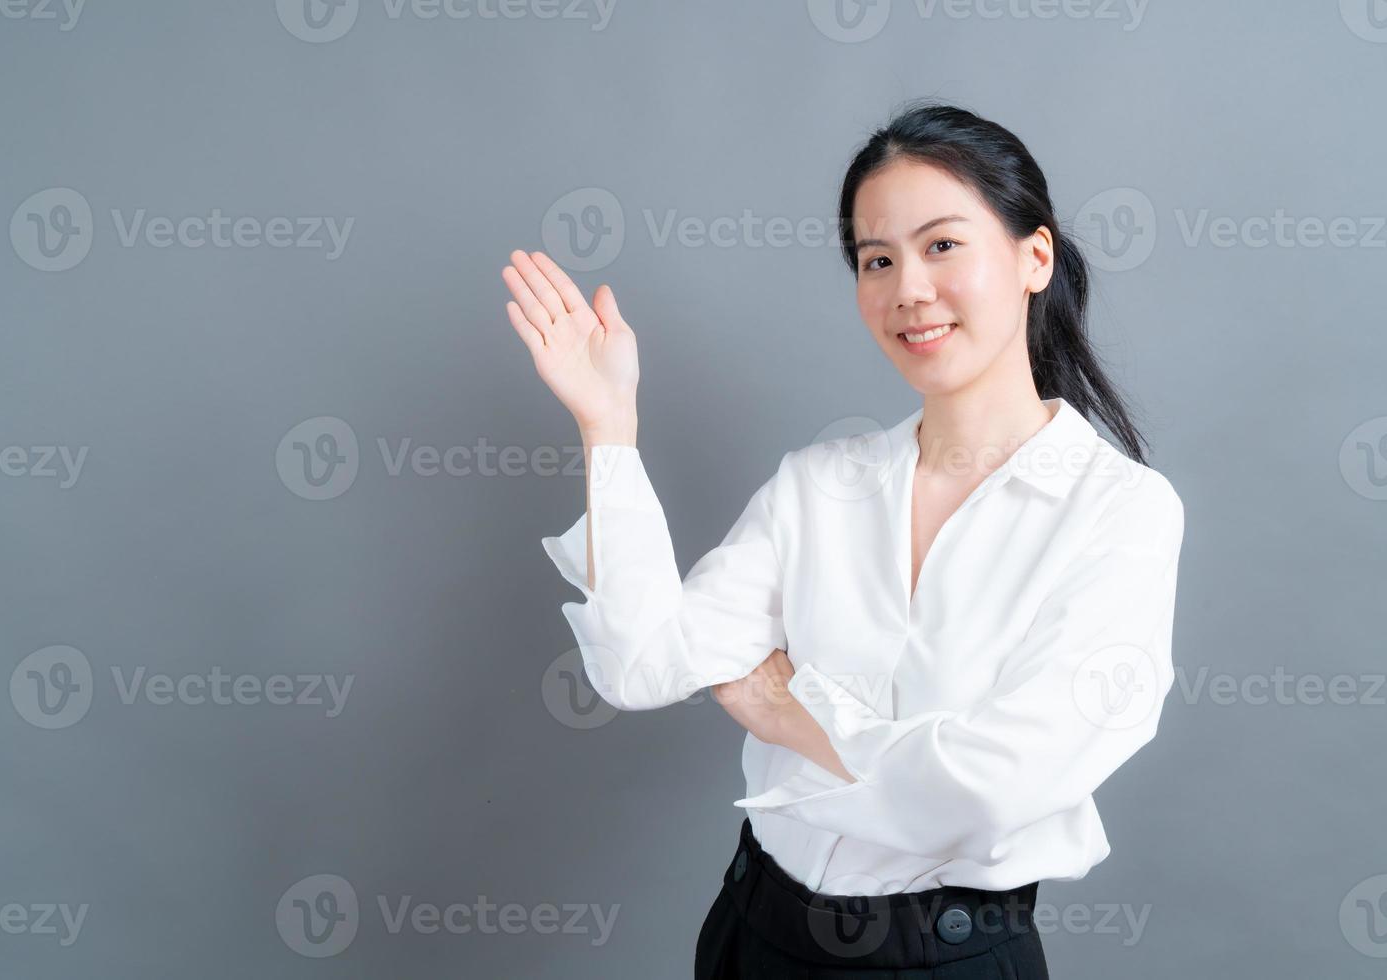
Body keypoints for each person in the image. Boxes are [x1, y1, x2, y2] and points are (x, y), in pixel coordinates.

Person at [501, 101, 1184, 979]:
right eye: (877, 259)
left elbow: (996, 790)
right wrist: (608, 427)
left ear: (1033, 257)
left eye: (942, 245)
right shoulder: (819, 485)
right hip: (756, 931)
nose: (908, 289)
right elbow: (642, 666)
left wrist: (792, 710)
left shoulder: (1118, 511)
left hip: (948, 959)